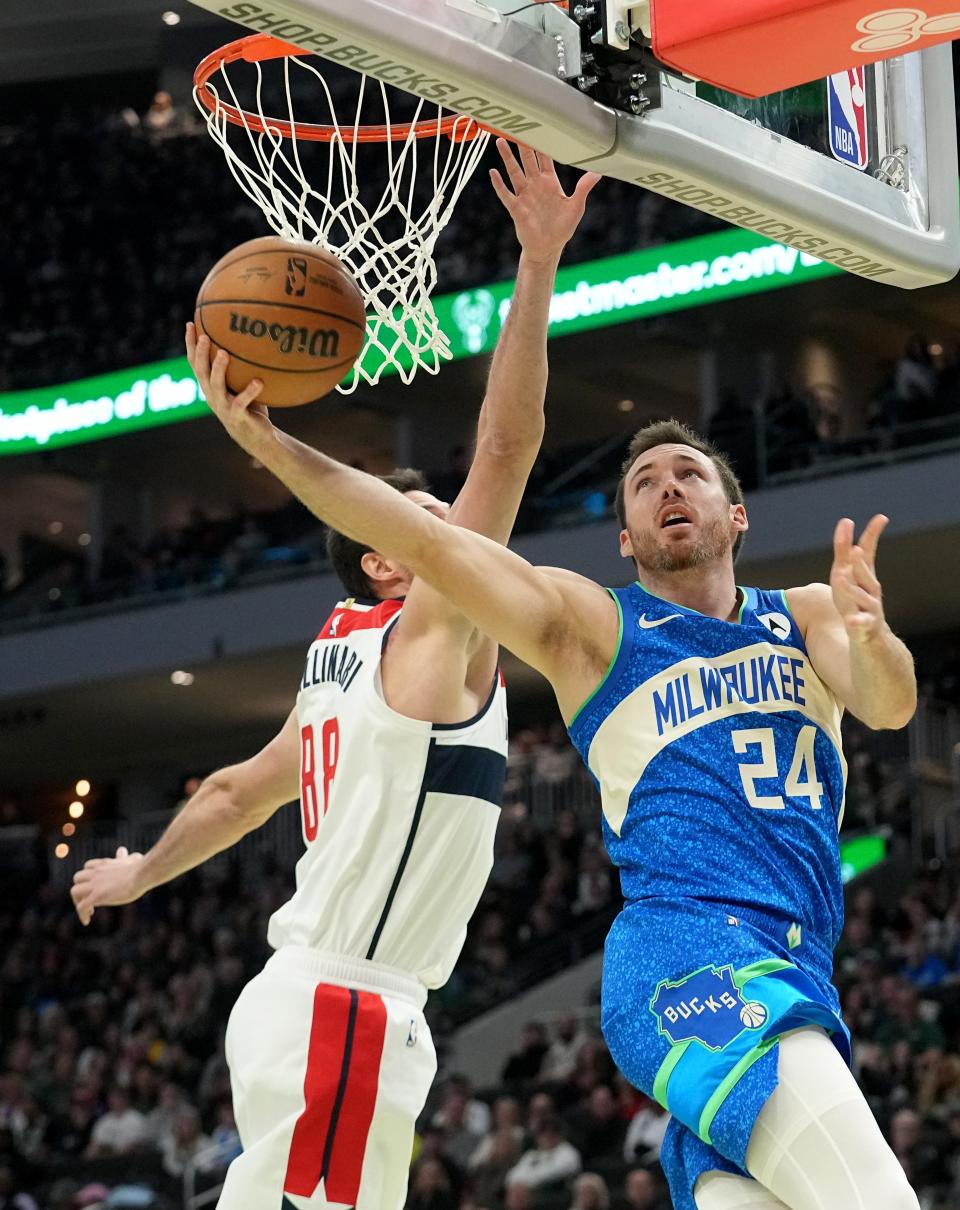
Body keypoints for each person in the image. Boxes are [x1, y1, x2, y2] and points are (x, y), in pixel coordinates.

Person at [186, 370, 920, 1210]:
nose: (666, 487)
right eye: (643, 484)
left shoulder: (808, 613)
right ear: (625, 538)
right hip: (690, 958)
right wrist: (271, 447)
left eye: (688, 474)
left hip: (798, 969)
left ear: (736, 513)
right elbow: (434, 546)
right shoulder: (596, 628)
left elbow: (889, 704)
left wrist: (871, 637)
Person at [69, 141, 599, 1210]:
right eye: (426, 521)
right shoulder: (431, 625)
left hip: (294, 1003)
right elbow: (507, 444)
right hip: (344, 1009)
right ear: (383, 554)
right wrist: (537, 265)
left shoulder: (336, 663)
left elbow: (230, 792)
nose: (456, 529)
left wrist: (141, 873)